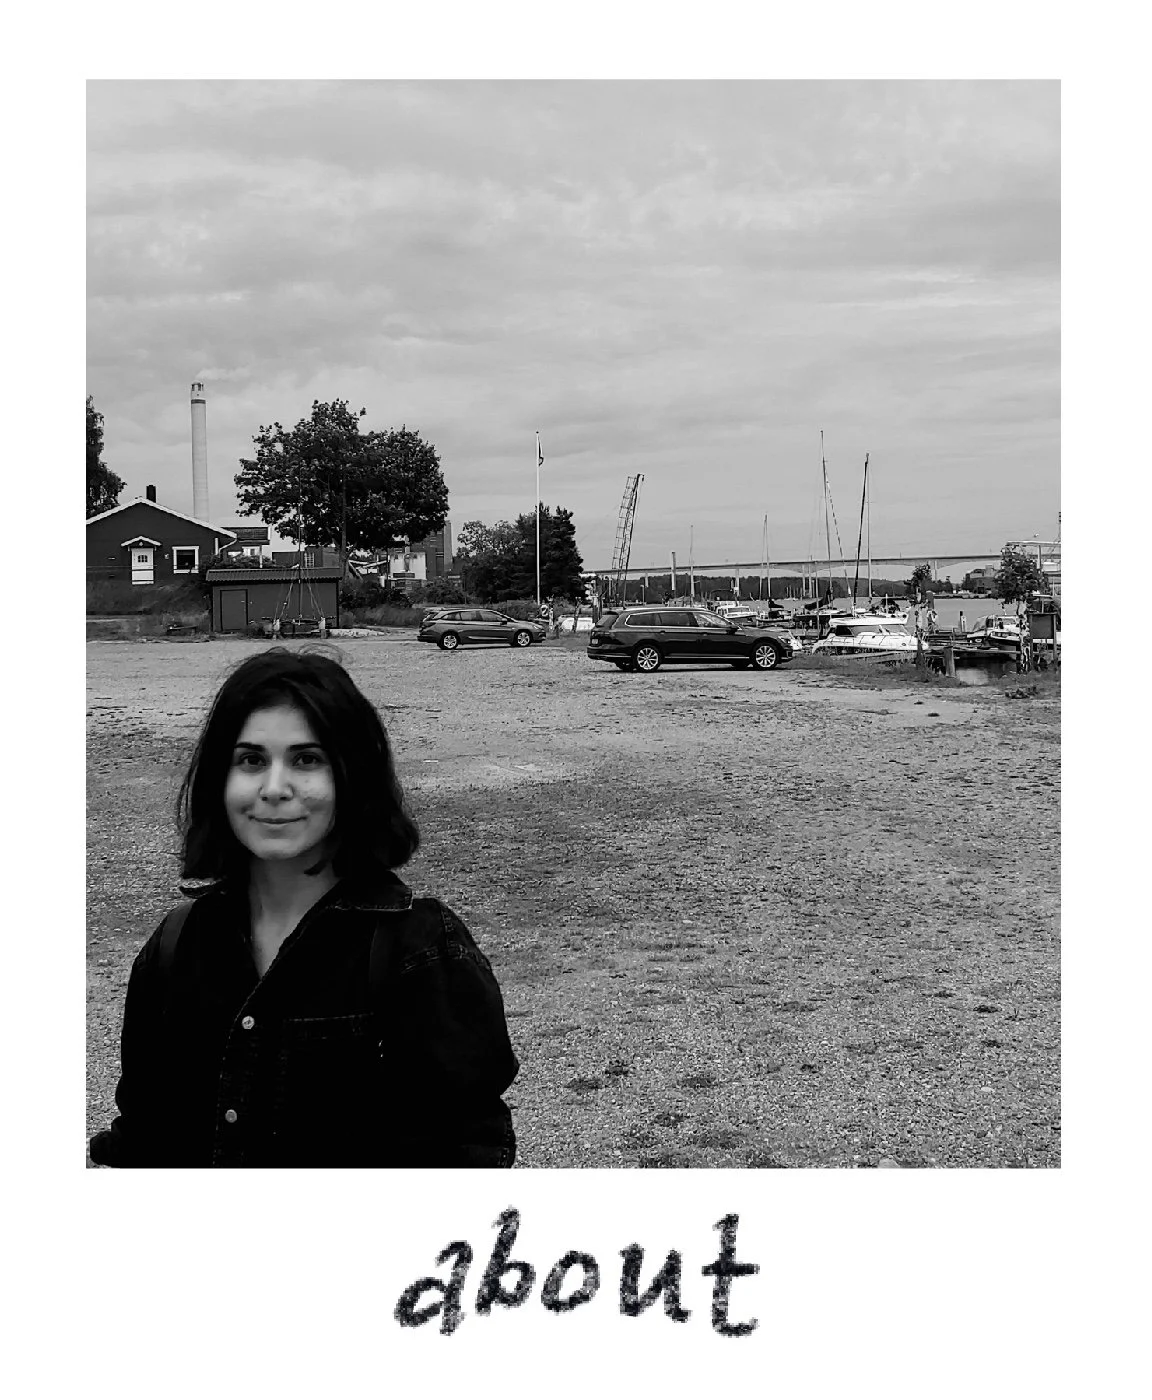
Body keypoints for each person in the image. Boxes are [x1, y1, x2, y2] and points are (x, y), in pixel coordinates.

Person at [89, 648, 518, 1168]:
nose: (274, 789)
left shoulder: (422, 952)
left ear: (351, 776)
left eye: (306, 759)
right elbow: (143, 1140)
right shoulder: (175, 946)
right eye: (251, 760)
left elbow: (465, 1156)